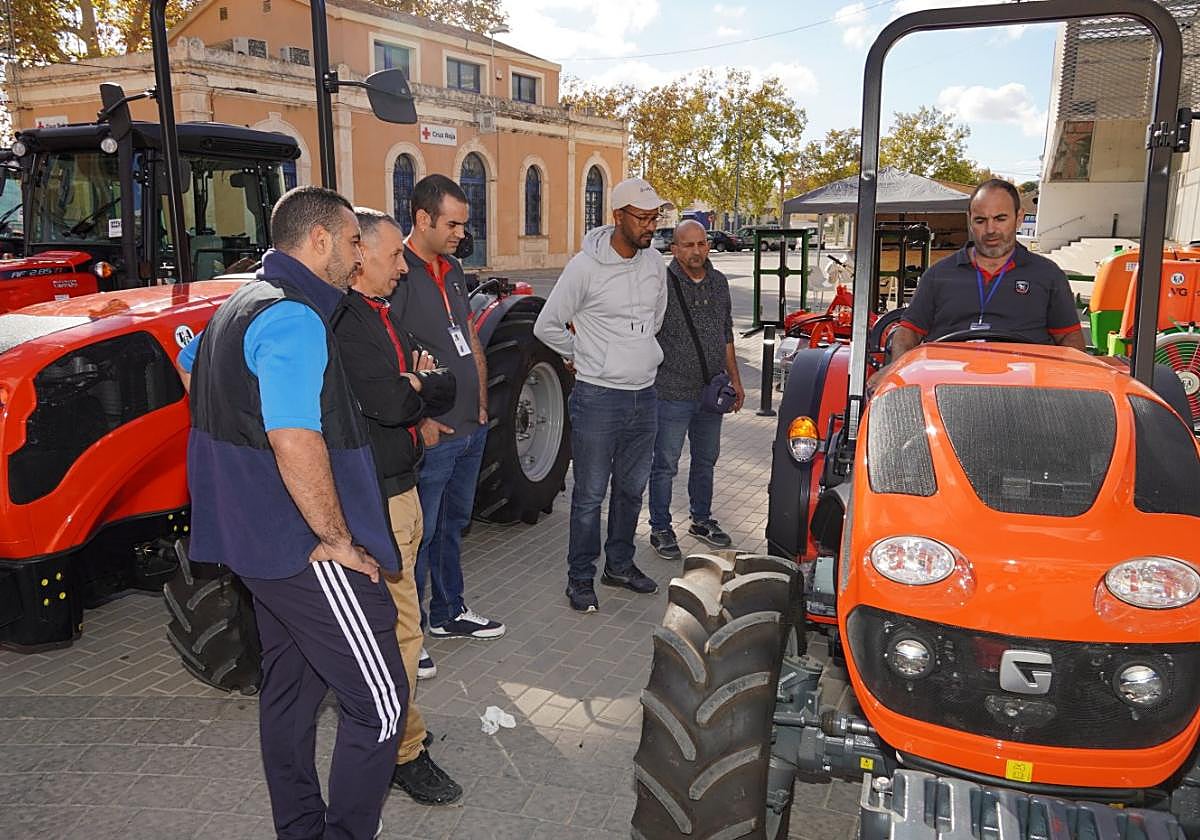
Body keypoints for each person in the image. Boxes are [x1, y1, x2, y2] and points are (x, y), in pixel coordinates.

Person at [182, 186, 404, 840]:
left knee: (291, 693)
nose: (359, 255)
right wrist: (336, 538)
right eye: (353, 241)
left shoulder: (237, 304)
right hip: (302, 550)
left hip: (254, 545)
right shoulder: (294, 317)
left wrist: (240, 481)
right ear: (320, 241)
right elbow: (293, 437)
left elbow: (189, 367)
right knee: (382, 707)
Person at [330, 207, 462, 806]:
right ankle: (401, 750)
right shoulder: (347, 323)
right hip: (378, 500)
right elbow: (387, 401)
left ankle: (393, 736)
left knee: (403, 630)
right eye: (391, 258)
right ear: (358, 260)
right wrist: (412, 386)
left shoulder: (383, 316)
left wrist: (417, 385)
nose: (402, 268)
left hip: (401, 490)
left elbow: (445, 381)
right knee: (400, 634)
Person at [533, 177, 670, 613]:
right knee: (590, 494)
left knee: (631, 491)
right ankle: (579, 578)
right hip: (598, 397)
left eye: (655, 218)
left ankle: (620, 565)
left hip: (644, 396)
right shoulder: (584, 267)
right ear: (617, 217)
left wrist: (638, 352)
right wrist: (584, 353)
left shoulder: (655, 265)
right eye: (643, 218)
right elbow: (547, 324)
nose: (651, 226)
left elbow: (657, 319)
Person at [393, 174, 505, 657]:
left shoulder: (454, 270)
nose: (462, 232)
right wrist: (417, 420)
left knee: (453, 524)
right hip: (433, 431)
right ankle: (409, 633)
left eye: (464, 223)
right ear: (422, 219)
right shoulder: (393, 271)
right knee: (421, 532)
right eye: (453, 223)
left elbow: (469, 338)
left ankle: (448, 611)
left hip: (470, 426)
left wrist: (481, 404)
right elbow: (388, 357)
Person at [890, 178, 1086, 358]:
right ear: (970, 220)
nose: (990, 230)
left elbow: (1070, 340)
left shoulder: (1048, 276)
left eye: (1000, 219)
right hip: (948, 384)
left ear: (1019, 218)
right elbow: (907, 333)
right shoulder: (937, 275)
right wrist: (896, 369)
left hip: (1023, 386)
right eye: (981, 220)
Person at [647, 220, 744, 562]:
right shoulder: (663, 284)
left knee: (706, 460)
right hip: (671, 391)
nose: (697, 251)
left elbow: (726, 334)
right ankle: (660, 526)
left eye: (701, 244)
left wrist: (735, 379)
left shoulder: (718, 283)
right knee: (666, 464)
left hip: (710, 392)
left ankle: (701, 520)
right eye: (688, 245)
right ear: (674, 249)